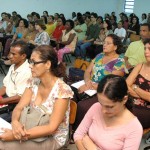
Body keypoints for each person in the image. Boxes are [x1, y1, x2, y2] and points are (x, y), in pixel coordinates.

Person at [0, 45, 74, 150]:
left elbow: (51, 128)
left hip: (51, 138)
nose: (30, 66)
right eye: (30, 62)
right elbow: (19, 107)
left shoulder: (62, 91)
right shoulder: (33, 81)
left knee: (2, 144)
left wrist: (16, 136)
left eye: (34, 62)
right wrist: (15, 122)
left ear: (48, 64)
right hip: (29, 127)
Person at [72, 34, 126, 130]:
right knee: (70, 94)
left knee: (82, 106)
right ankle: (68, 125)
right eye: (104, 42)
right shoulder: (99, 56)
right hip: (90, 85)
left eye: (108, 43)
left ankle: (78, 131)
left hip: (105, 91)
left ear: (115, 47)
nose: (104, 45)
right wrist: (88, 82)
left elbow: (112, 83)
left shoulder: (120, 61)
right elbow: (87, 71)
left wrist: (92, 86)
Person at [74, 74, 143, 150]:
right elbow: (78, 134)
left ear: (124, 99)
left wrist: (93, 148)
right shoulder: (96, 107)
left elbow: (82, 138)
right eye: (101, 104)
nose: (103, 110)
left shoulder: (134, 128)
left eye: (110, 107)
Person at [0, 41, 32, 122]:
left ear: (23, 56)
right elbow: (5, 86)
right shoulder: (13, 66)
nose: (10, 56)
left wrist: (2, 101)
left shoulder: (27, 71)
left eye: (13, 54)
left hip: (16, 105)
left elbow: (20, 97)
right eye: (10, 53)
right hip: (7, 99)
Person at [126, 38, 150, 129]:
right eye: (145, 48)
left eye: (149, 49)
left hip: (146, 109)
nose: (146, 52)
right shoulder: (140, 65)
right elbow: (126, 84)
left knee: (125, 116)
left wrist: (135, 87)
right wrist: (144, 95)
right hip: (129, 101)